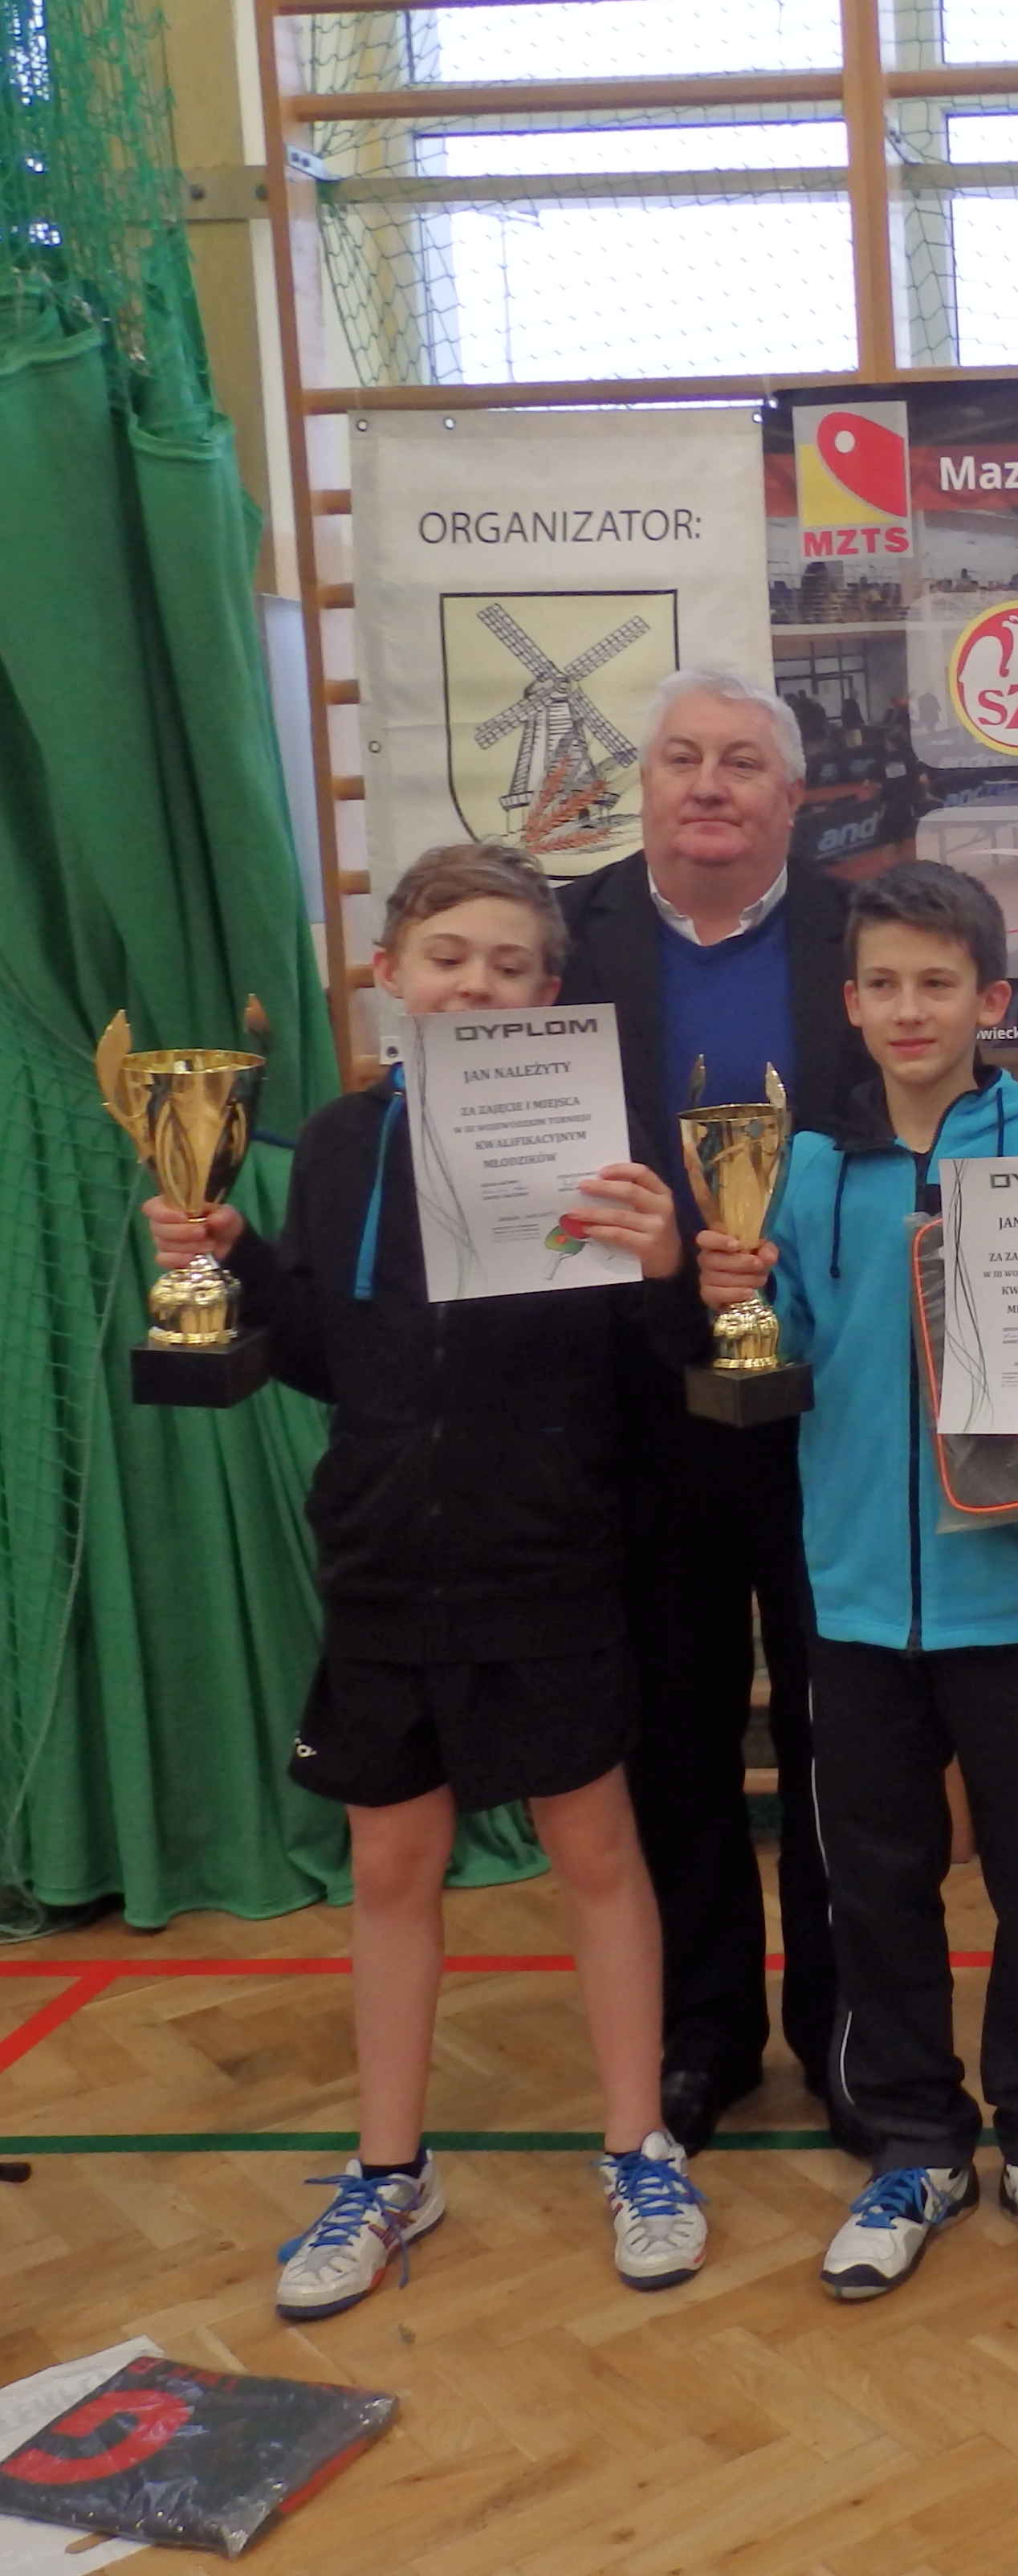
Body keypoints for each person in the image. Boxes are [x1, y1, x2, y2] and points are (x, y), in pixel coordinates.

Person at [146, 843, 711, 2317]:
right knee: (392, 1868)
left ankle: (638, 2145)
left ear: (552, 989)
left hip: (551, 1555)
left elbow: (668, 1368)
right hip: (386, 1560)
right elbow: (330, 1355)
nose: (477, 984)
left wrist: (669, 1265)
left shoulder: (608, 1142)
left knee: (595, 1851)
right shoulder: (341, 1143)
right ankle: (390, 2168)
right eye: (449, 956)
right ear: (390, 973)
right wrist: (236, 1259)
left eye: (512, 965)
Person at [695, 860, 1018, 2302]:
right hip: (850, 1596)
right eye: (885, 984)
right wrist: (740, 1302)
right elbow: (785, 1347)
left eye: (939, 982)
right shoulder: (802, 1167)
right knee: (874, 1885)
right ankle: (914, 2140)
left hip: (1017, 1594)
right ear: (850, 1004)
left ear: (992, 998)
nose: (911, 1009)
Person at [554, 670, 865, 2156]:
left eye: (743, 762)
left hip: (833, 1403)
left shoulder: (867, 939)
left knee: (836, 1728)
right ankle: (704, 2034)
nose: (709, 784)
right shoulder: (567, 940)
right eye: (682, 757)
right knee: (673, 1730)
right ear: (646, 786)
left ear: (793, 798)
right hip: (637, 1401)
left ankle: (849, 2031)